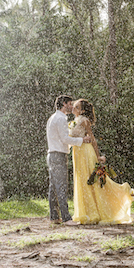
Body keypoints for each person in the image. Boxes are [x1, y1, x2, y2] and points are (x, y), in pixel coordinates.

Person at [69, 99, 134, 224]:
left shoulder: (84, 121)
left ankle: (94, 211)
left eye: (76, 107)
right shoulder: (75, 121)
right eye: (74, 106)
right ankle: (85, 212)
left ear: (82, 110)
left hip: (85, 153)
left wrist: (98, 156)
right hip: (77, 154)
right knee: (82, 180)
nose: (73, 108)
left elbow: (92, 138)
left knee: (90, 180)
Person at [47, 95, 91, 225]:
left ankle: (54, 217)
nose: (71, 107)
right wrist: (82, 140)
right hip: (59, 155)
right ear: (64, 104)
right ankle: (66, 218)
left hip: (52, 154)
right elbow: (65, 139)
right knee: (61, 187)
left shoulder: (52, 118)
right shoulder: (60, 119)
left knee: (53, 187)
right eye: (70, 104)